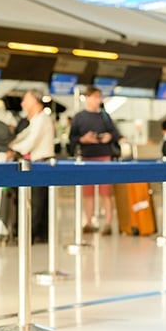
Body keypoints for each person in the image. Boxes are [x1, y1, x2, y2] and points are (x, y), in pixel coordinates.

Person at [69, 86, 120, 236]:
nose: (98, 100)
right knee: (88, 192)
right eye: (95, 97)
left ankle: (108, 223)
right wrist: (83, 139)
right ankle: (89, 222)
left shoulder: (105, 116)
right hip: (87, 157)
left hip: (104, 156)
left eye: (99, 97)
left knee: (106, 191)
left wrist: (108, 137)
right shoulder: (79, 117)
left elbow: (115, 133)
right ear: (88, 97)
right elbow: (72, 138)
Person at [9, 89, 56, 243]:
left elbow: (31, 141)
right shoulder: (37, 119)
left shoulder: (42, 119)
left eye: (26, 99)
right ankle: (40, 233)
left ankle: (30, 235)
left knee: (36, 202)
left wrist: (12, 149)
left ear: (35, 101)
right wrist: (11, 143)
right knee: (39, 201)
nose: (23, 103)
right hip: (39, 162)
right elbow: (23, 135)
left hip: (41, 163)